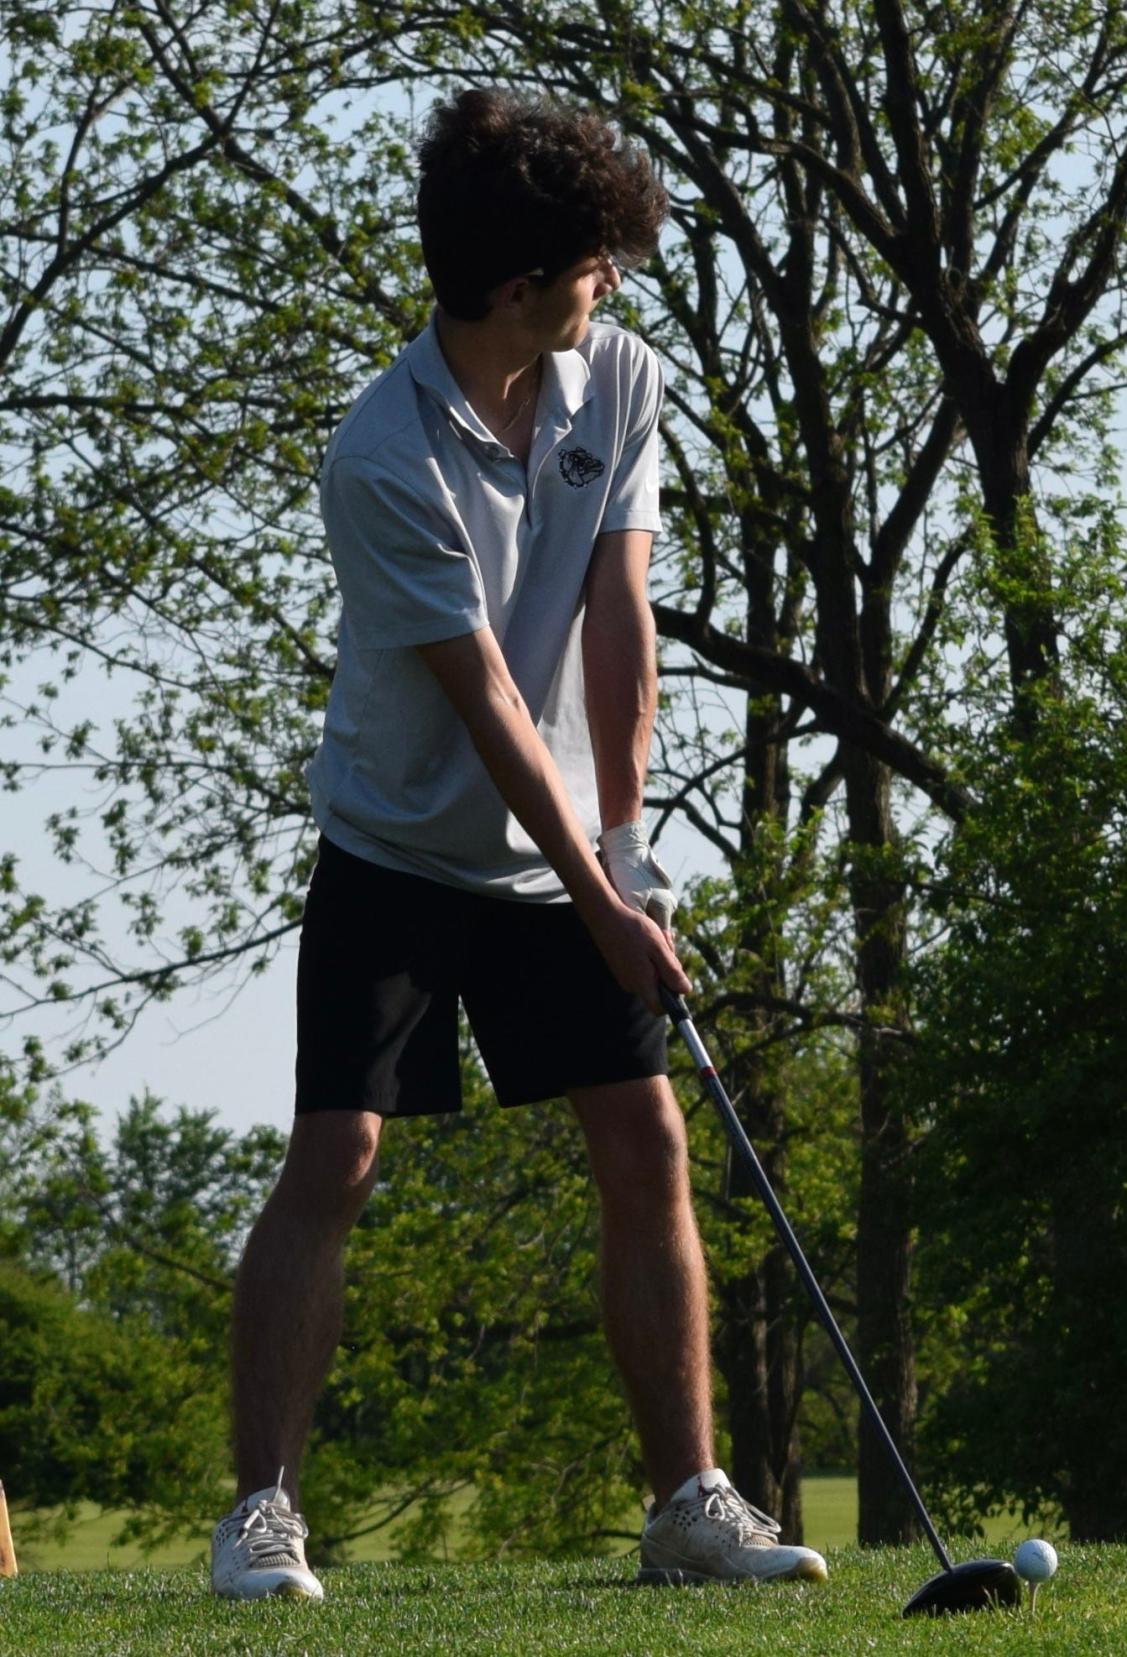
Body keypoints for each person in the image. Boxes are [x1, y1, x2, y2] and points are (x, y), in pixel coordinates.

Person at [209, 87, 827, 1600]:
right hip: (399, 845)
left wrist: (622, 848)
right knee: (336, 1156)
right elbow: (486, 696)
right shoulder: (379, 456)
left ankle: (686, 1503)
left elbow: (617, 617)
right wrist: (596, 892)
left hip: (562, 849)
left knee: (646, 1139)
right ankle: (258, 1516)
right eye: (588, 260)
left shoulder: (612, 378)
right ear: (509, 286)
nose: (605, 280)